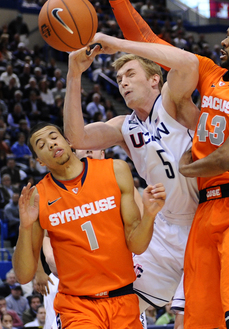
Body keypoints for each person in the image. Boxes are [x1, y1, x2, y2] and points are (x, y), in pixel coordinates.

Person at [80, 0, 229, 329]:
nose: (223, 41)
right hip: (206, 208)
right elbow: (148, 42)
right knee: (198, 318)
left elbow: (228, 157)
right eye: (225, 34)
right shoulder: (211, 75)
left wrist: (183, 166)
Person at [64, 27, 199, 328]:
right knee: (117, 301)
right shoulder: (125, 126)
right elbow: (77, 138)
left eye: (130, 74)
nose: (123, 82)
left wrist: (117, 44)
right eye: (120, 78)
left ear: (154, 79)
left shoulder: (172, 101)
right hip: (163, 231)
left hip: (202, 224)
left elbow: (189, 63)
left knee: (193, 319)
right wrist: (73, 75)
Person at [12, 122, 166, 329]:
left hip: (123, 298)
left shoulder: (116, 170)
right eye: (41, 144)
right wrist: (25, 226)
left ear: (67, 142)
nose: (50, 144)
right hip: (77, 306)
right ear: (39, 161)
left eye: (53, 137)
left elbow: (136, 245)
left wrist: (149, 214)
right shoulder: (38, 197)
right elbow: (23, 276)